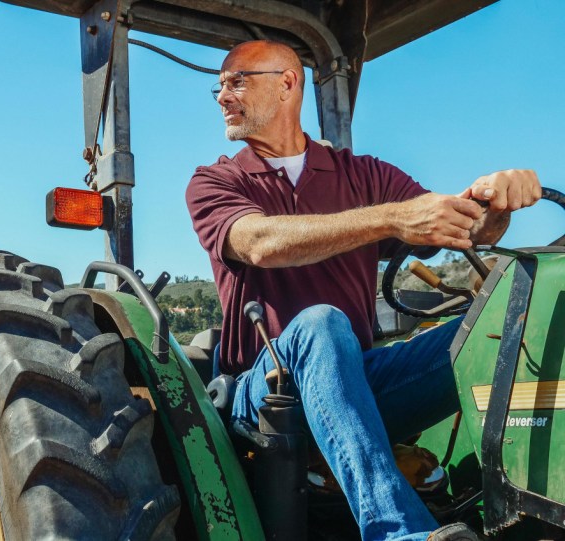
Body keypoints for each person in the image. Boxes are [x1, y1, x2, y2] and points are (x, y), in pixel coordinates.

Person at [185, 40, 541, 541]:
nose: (223, 95)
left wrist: (496, 202)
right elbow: (261, 243)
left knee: (507, 322)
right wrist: (393, 217)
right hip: (260, 390)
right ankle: (400, 533)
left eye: (236, 80)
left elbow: (457, 226)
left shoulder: (365, 175)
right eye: (218, 86)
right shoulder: (216, 181)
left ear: (287, 82)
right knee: (322, 323)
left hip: (356, 381)